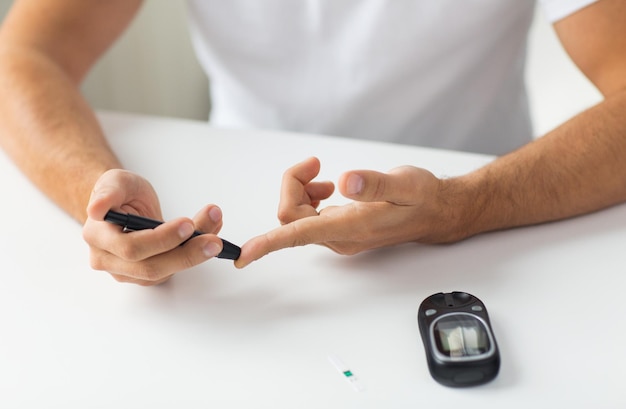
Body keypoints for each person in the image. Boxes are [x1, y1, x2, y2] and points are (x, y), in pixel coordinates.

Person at [0, 1, 625, 283]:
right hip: (239, 245)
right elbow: (22, 56)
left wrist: (467, 206)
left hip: (497, 234)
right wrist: (98, 195)